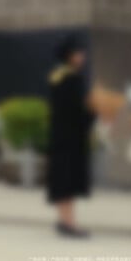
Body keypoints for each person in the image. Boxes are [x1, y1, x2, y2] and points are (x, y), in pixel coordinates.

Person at [46, 35, 95, 238]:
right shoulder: (72, 78)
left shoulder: (56, 76)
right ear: (69, 56)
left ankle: (63, 219)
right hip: (72, 138)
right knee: (68, 179)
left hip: (58, 136)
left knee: (61, 178)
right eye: (78, 53)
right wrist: (94, 113)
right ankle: (69, 222)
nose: (82, 57)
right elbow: (78, 111)